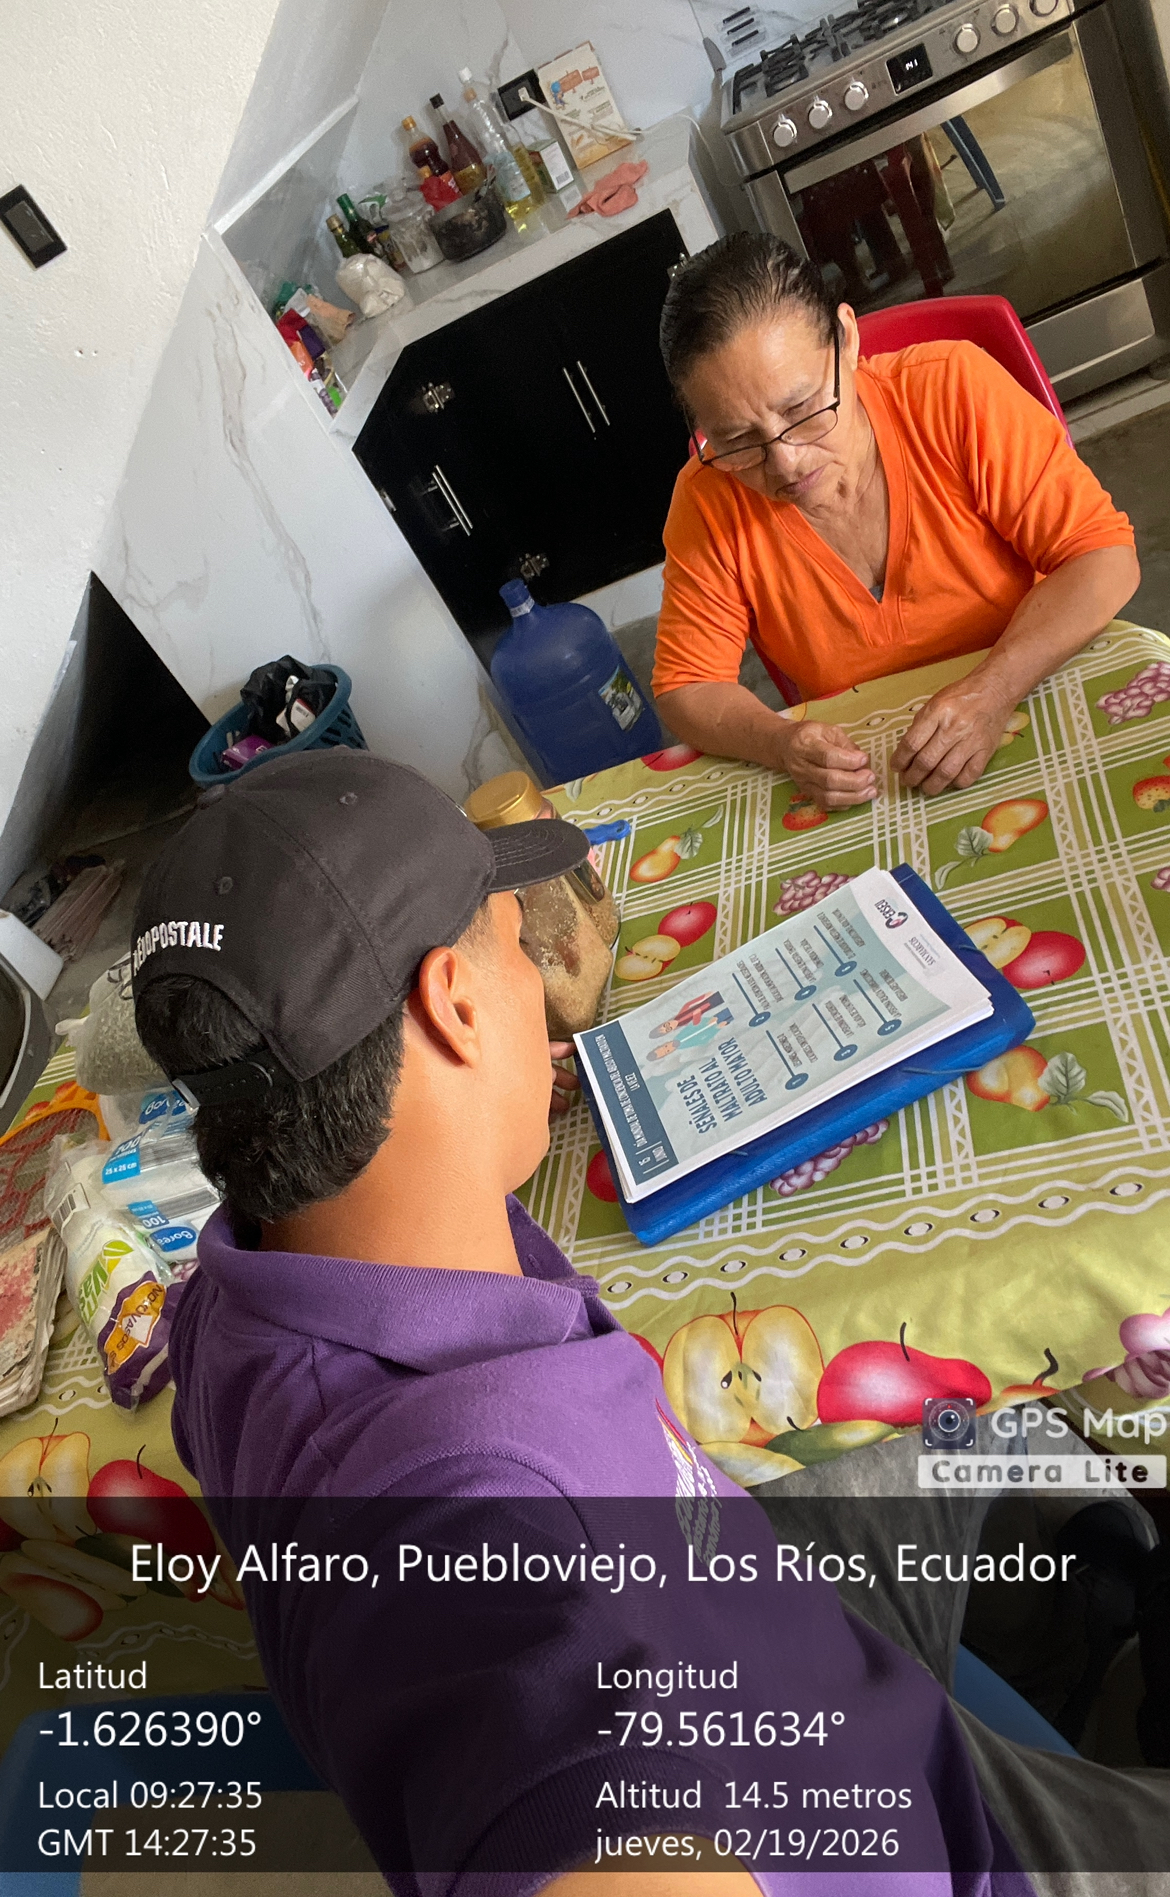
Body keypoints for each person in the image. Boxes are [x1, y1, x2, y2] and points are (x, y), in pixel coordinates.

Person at [132, 751, 1168, 1894]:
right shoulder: (484, 1531)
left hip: (774, 1636)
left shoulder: (237, 1288)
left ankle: (1069, 1607)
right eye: (517, 948)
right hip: (928, 1838)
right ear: (456, 1004)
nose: (543, 995)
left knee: (956, 1387)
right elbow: (566, 1775)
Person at [652, 233, 1139, 809]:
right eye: (737, 440)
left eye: (802, 408)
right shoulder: (708, 499)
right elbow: (687, 686)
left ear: (847, 339)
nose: (786, 463)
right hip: (877, 780)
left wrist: (993, 689)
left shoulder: (952, 390)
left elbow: (1102, 556)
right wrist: (779, 742)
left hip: (1034, 687)